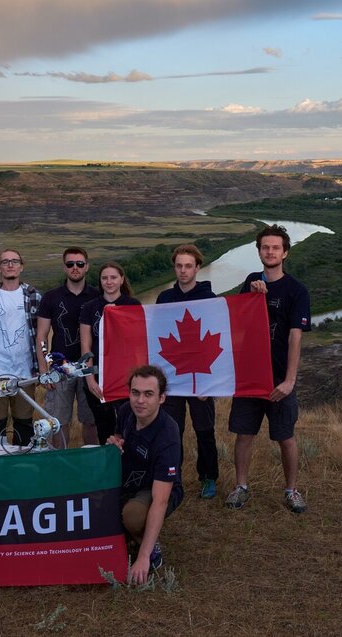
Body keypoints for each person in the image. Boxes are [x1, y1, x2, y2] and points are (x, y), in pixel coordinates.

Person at [225, 224, 312, 514]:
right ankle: (241, 487)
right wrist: (252, 295)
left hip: (278, 380)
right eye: (265, 247)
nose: (270, 252)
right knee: (244, 434)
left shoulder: (297, 290)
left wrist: (289, 381)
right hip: (250, 377)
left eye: (275, 247)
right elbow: (237, 321)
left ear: (285, 252)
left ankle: (291, 490)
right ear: (259, 251)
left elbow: (294, 337)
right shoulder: (251, 281)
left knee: (285, 437)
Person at [106, 365, 183, 585]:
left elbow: (160, 500)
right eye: (135, 392)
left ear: (161, 398)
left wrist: (142, 558)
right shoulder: (125, 411)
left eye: (148, 394)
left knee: (133, 515)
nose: (140, 400)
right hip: (129, 480)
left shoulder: (167, 434)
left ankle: (151, 550)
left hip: (156, 489)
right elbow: (119, 435)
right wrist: (115, 442)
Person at [155, 244, 219, 499]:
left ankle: (209, 477)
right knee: (173, 430)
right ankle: (173, 477)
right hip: (172, 376)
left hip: (201, 377)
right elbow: (156, 337)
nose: (183, 271)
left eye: (188, 266)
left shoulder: (208, 298)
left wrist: (210, 382)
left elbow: (217, 338)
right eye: (179, 266)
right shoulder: (164, 299)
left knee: (205, 430)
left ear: (197, 268)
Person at [0, 248, 42, 444]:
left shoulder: (34, 296)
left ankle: (21, 466)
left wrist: (39, 368)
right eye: (5, 262)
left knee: (24, 425)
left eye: (14, 261)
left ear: (22, 266)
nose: (10, 265)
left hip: (25, 373)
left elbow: (41, 335)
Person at [36, 248, 99, 445]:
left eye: (80, 264)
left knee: (91, 420)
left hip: (89, 368)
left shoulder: (97, 296)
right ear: (64, 268)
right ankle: (59, 464)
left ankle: (90, 464)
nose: (75, 268)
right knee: (58, 421)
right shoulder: (51, 297)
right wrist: (43, 369)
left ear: (86, 266)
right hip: (59, 368)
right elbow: (42, 336)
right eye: (70, 264)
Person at [80, 261, 141, 444]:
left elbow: (138, 341)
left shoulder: (132, 304)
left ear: (122, 279)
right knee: (104, 426)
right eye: (104, 278)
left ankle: (130, 466)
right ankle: (109, 465)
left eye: (113, 277)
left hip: (126, 375)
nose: (109, 281)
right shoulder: (90, 307)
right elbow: (85, 347)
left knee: (129, 424)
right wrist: (89, 379)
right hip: (98, 376)